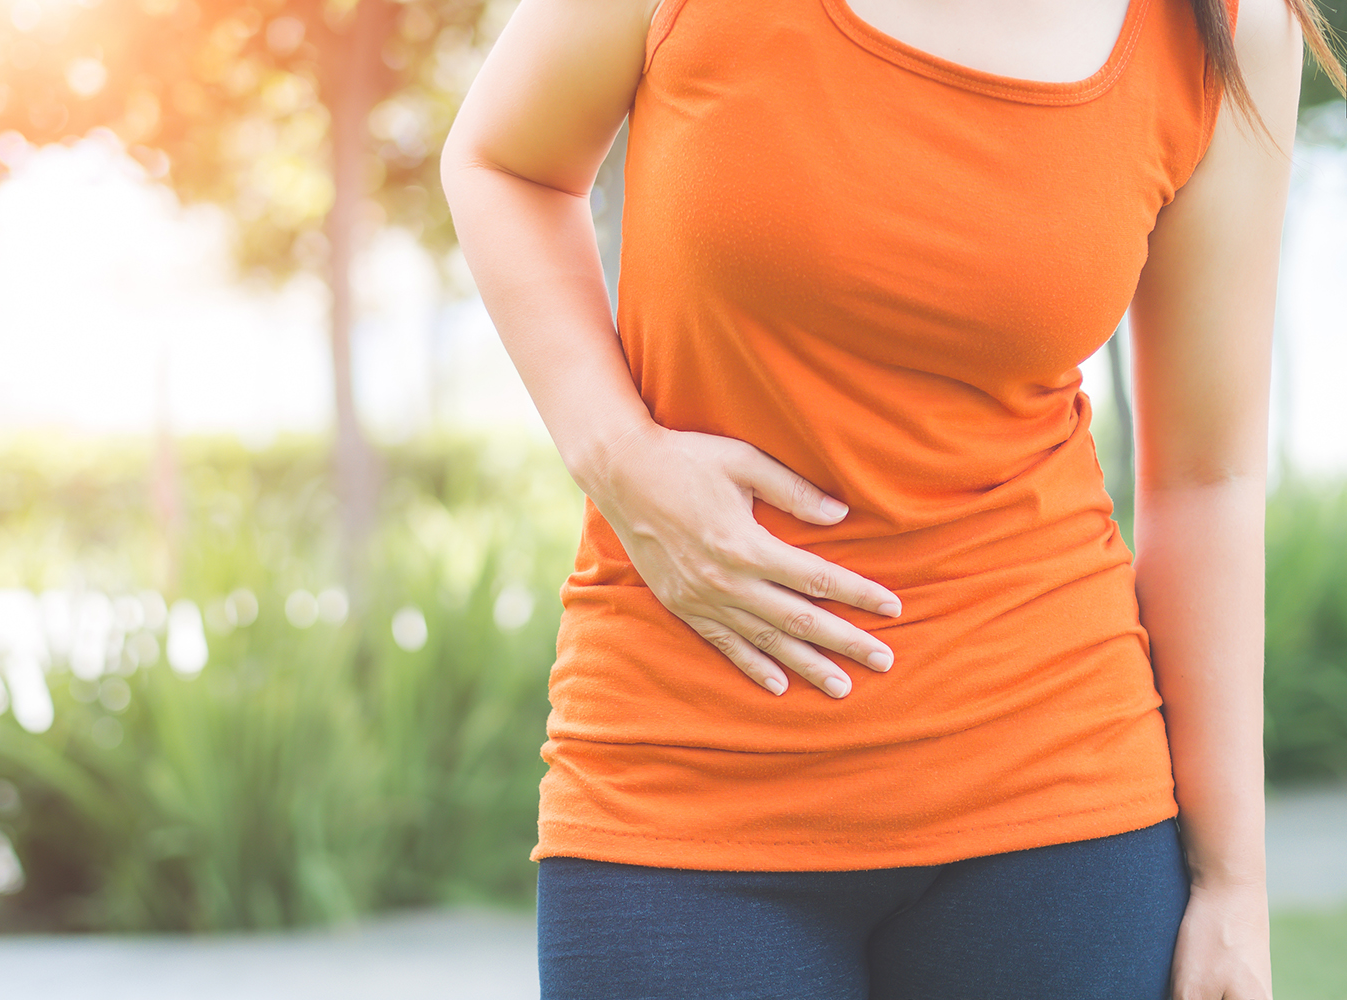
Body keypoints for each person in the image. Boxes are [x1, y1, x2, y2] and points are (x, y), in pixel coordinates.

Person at [440, 0, 1343, 993]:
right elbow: (501, 162)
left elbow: (1207, 480)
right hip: (684, 784)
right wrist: (617, 452)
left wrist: (1231, 889)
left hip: (1061, 802)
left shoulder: (1226, 25)